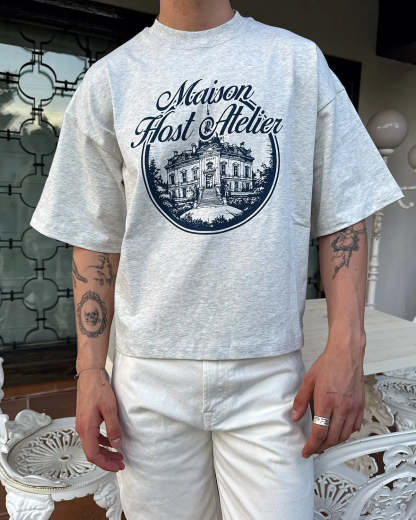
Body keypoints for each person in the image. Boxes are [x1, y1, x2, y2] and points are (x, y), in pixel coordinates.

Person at [30, 1, 405, 518]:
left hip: (271, 375)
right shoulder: (109, 80)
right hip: (147, 376)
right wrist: (90, 369)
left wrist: (348, 346)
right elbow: (96, 239)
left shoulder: (296, 62)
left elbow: (344, 211)